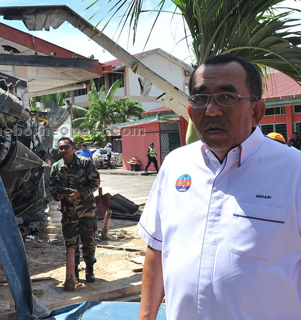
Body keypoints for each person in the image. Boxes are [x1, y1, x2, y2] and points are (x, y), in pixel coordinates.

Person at [137, 54, 301, 320]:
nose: (211, 110)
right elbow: (157, 248)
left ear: (257, 111)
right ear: (191, 112)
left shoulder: (294, 172)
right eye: (201, 99)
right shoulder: (175, 165)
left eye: (227, 97)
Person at [50, 137, 100, 289]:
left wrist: (80, 194)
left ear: (73, 147)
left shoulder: (86, 163)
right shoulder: (57, 167)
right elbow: (52, 186)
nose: (63, 151)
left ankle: (90, 270)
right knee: (71, 241)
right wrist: (58, 195)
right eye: (60, 148)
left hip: (86, 209)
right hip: (68, 211)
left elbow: (95, 182)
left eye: (66, 147)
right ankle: (74, 272)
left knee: (88, 240)